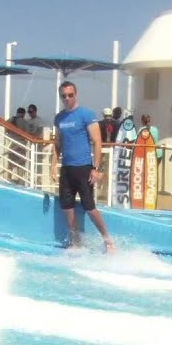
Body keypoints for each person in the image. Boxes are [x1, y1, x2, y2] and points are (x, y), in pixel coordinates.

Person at [52, 81, 115, 250]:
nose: (67, 98)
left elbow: (97, 141)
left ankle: (107, 239)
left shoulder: (86, 114)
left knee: (89, 207)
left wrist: (96, 168)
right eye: (64, 96)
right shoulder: (59, 118)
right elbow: (57, 144)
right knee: (67, 207)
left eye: (70, 95)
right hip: (66, 169)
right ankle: (75, 241)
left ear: (76, 95)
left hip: (84, 168)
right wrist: (53, 166)